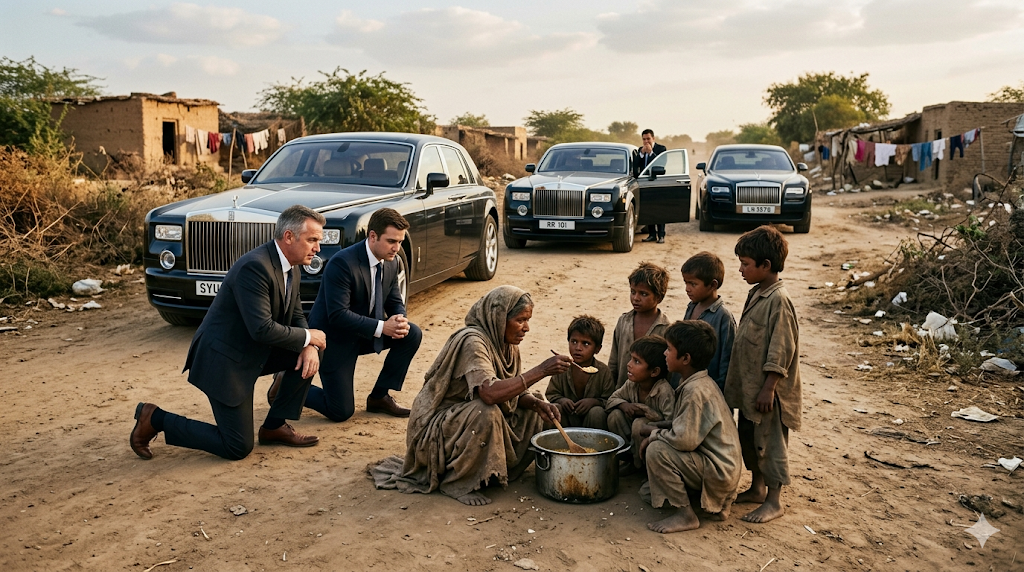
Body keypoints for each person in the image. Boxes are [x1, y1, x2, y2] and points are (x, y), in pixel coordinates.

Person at [129, 205, 328, 461]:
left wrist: (309, 344)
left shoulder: (293, 265)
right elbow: (261, 328)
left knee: (312, 354)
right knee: (236, 446)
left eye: (318, 241)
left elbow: (296, 313)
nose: (317, 248)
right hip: (224, 361)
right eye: (312, 240)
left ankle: (274, 426)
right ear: (289, 237)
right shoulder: (255, 268)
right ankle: (154, 418)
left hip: (254, 352)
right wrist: (309, 337)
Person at [370, 285, 571, 506]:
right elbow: (489, 393)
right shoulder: (472, 342)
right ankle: (457, 482)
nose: (526, 328)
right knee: (486, 412)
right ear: (499, 317)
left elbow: (510, 392)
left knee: (534, 407)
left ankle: (494, 470)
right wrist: (541, 371)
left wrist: (534, 403)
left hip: (465, 420)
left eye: (528, 320)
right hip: (437, 428)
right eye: (521, 320)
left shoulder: (506, 343)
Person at [297, 208, 422, 421]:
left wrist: (399, 319)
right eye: (392, 241)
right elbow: (338, 315)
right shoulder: (342, 263)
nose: (397, 248)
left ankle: (379, 397)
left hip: (364, 332)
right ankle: (286, 388)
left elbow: (394, 301)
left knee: (411, 334)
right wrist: (383, 327)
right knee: (341, 412)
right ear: (372, 236)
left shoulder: (392, 261)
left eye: (400, 242)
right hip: (334, 340)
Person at [725, 225, 802, 524]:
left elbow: (782, 349)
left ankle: (773, 500)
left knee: (769, 443)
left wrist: (769, 387)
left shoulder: (779, 301)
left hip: (769, 393)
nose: (741, 269)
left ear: (765, 265)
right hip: (750, 388)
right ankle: (757, 488)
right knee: (749, 437)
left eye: (745, 264)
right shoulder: (757, 293)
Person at [640, 320, 742, 533]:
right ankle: (717, 504)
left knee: (656, 451)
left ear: (685, 358)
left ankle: (685, 515)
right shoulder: (697, 382)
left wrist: (654, 435)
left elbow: (684, 440)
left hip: (719, 471)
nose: (665, 354)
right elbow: (688, 425)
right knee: (648, 493)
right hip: (721, 468)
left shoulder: (695, 391)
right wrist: (659, 427)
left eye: (669, 349)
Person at [605, 336, 675, 473]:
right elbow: (611, 400)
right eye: (631, 358)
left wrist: (647, 413)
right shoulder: (631, 384)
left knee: (639, 424)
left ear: (654, 372)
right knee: (614, 415)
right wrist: (624, 405)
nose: (629, 364)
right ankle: (627, 458)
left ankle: (643, 466)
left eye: (637, 361)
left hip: (654, 439)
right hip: (632, 435)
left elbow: (671, 422)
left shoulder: (664, 392)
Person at [545, 315, 616, 430]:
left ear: (597, 349)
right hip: (567, 420)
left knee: (597, 412)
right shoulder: (561, 368)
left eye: (586, 343)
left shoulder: (603, 371)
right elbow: (551, 394)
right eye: (574, 341)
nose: (578, 348)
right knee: (555, 408)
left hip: (592, 423)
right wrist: (562, 400)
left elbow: (610, 400)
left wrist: (594, 402)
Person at [608, 262, 671, 388]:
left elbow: (668, 369)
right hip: (621, 392)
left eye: (643, 294)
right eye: (633, 292)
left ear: (658, 297)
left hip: (652, 395)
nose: (635, 298)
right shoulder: (623, 322)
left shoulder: (665, 328)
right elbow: (614, 362)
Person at [681, 252, 736, 392]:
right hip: (688, 385)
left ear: (712, 285)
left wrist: (720, 393)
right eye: (686, 283)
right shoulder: (691, 307)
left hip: (710, 389)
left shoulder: (723, 317)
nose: (687, 289)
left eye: (693, 284)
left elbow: (727, 360)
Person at [634, 129, 668, 243]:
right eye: (644, 139)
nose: (646, 141)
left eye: (648, 139)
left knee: (659, 209)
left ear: (653, 138)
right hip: (645, 183)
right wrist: (642, 154)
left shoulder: (661, 149)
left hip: (658, 182)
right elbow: (635, 166)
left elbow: (661, 164)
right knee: (648, 209)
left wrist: (651, 154)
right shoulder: (640, 150)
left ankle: (661, 235)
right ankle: (652, 234)